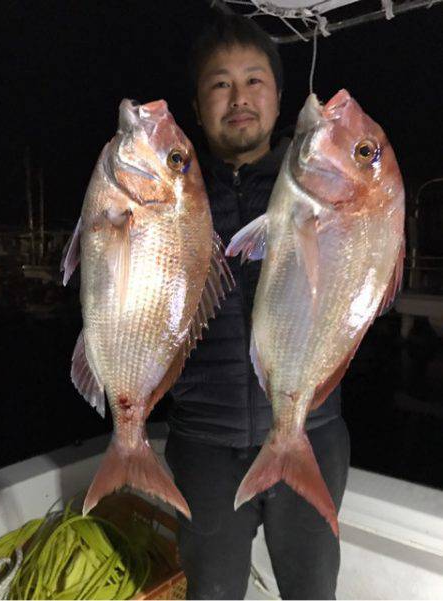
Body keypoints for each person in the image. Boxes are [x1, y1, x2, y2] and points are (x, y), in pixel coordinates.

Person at [165, 13, 350, 601]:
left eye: (254, 81)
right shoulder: (174, 197)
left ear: (278, 101)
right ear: (198, 106)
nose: (238, 97)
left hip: (313, 433)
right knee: (211, 590)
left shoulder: (322, 186)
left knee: (312, 590)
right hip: (205, 444)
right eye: (220, 84)